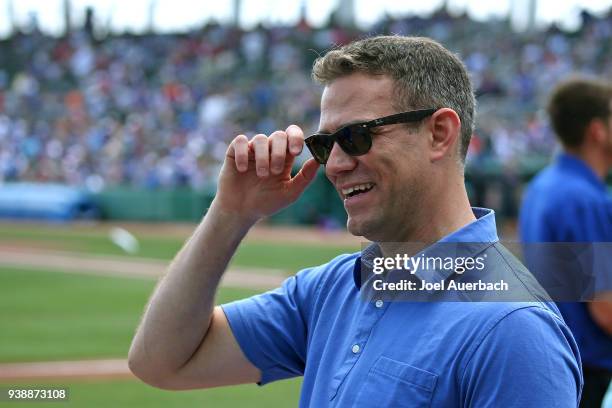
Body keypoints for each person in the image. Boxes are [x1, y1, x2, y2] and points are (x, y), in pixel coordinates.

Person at [128, 36, 582, 406]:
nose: (334, 165)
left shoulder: (515, 330)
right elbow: (161, 362)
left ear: (439, 134)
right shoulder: (332, 289)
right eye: (325, 144)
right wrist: (230, 213)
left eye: (357, 136)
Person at [520, 76, 612, 408]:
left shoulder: (543, 184)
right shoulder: (585, 199)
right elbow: (606, 309)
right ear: (597, 130)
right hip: (583, 368)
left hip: (553, 357)